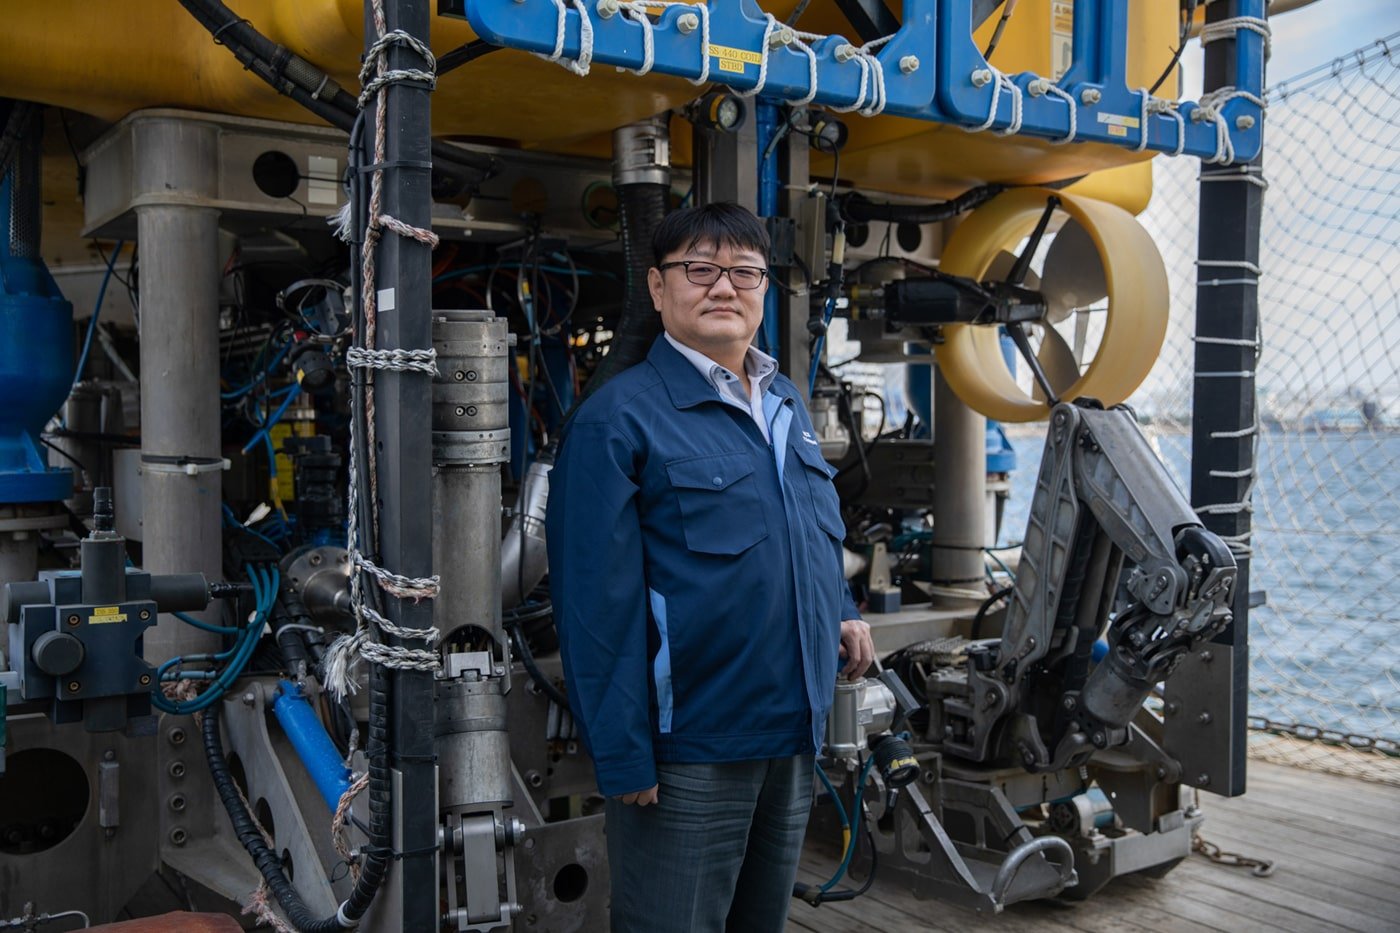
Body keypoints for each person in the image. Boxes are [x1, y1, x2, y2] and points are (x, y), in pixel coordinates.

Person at [545, 202, 875, 933]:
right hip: (688, 748)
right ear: (659, 289)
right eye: (700, 269)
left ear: (764, 288)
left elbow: (803, 526)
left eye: (745, 272)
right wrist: (625, 754)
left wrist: (843, 609)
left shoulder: (783, 398)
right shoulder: (619, 419)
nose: (724, 286)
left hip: (791, 731)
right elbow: (594, 604)